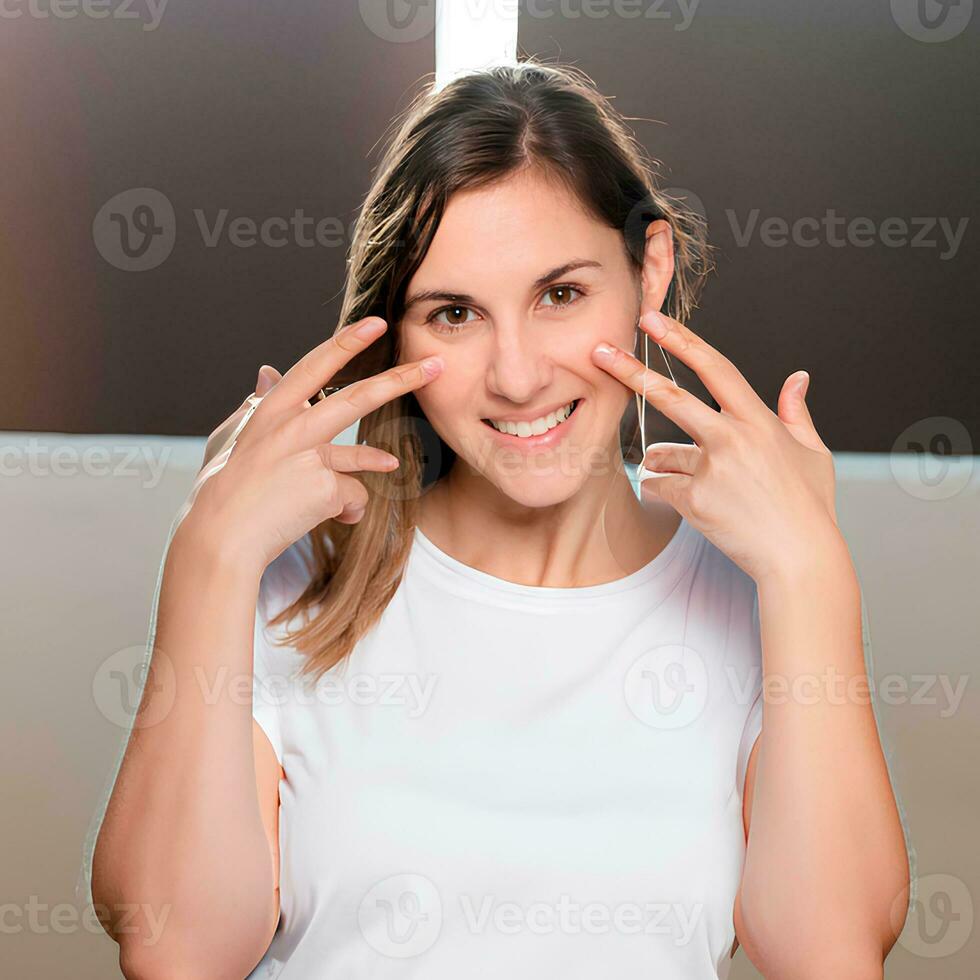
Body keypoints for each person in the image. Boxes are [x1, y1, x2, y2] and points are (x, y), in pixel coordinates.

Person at [91, 60, 909, 979]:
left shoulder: (750, 598)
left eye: (560, 294)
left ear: (650, 271)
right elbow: (173, 950)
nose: (517, 376)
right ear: (398, 333)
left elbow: (831, 956)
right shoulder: (290, 586)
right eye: (454, 314)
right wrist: (206, 556)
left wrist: (811, 571)